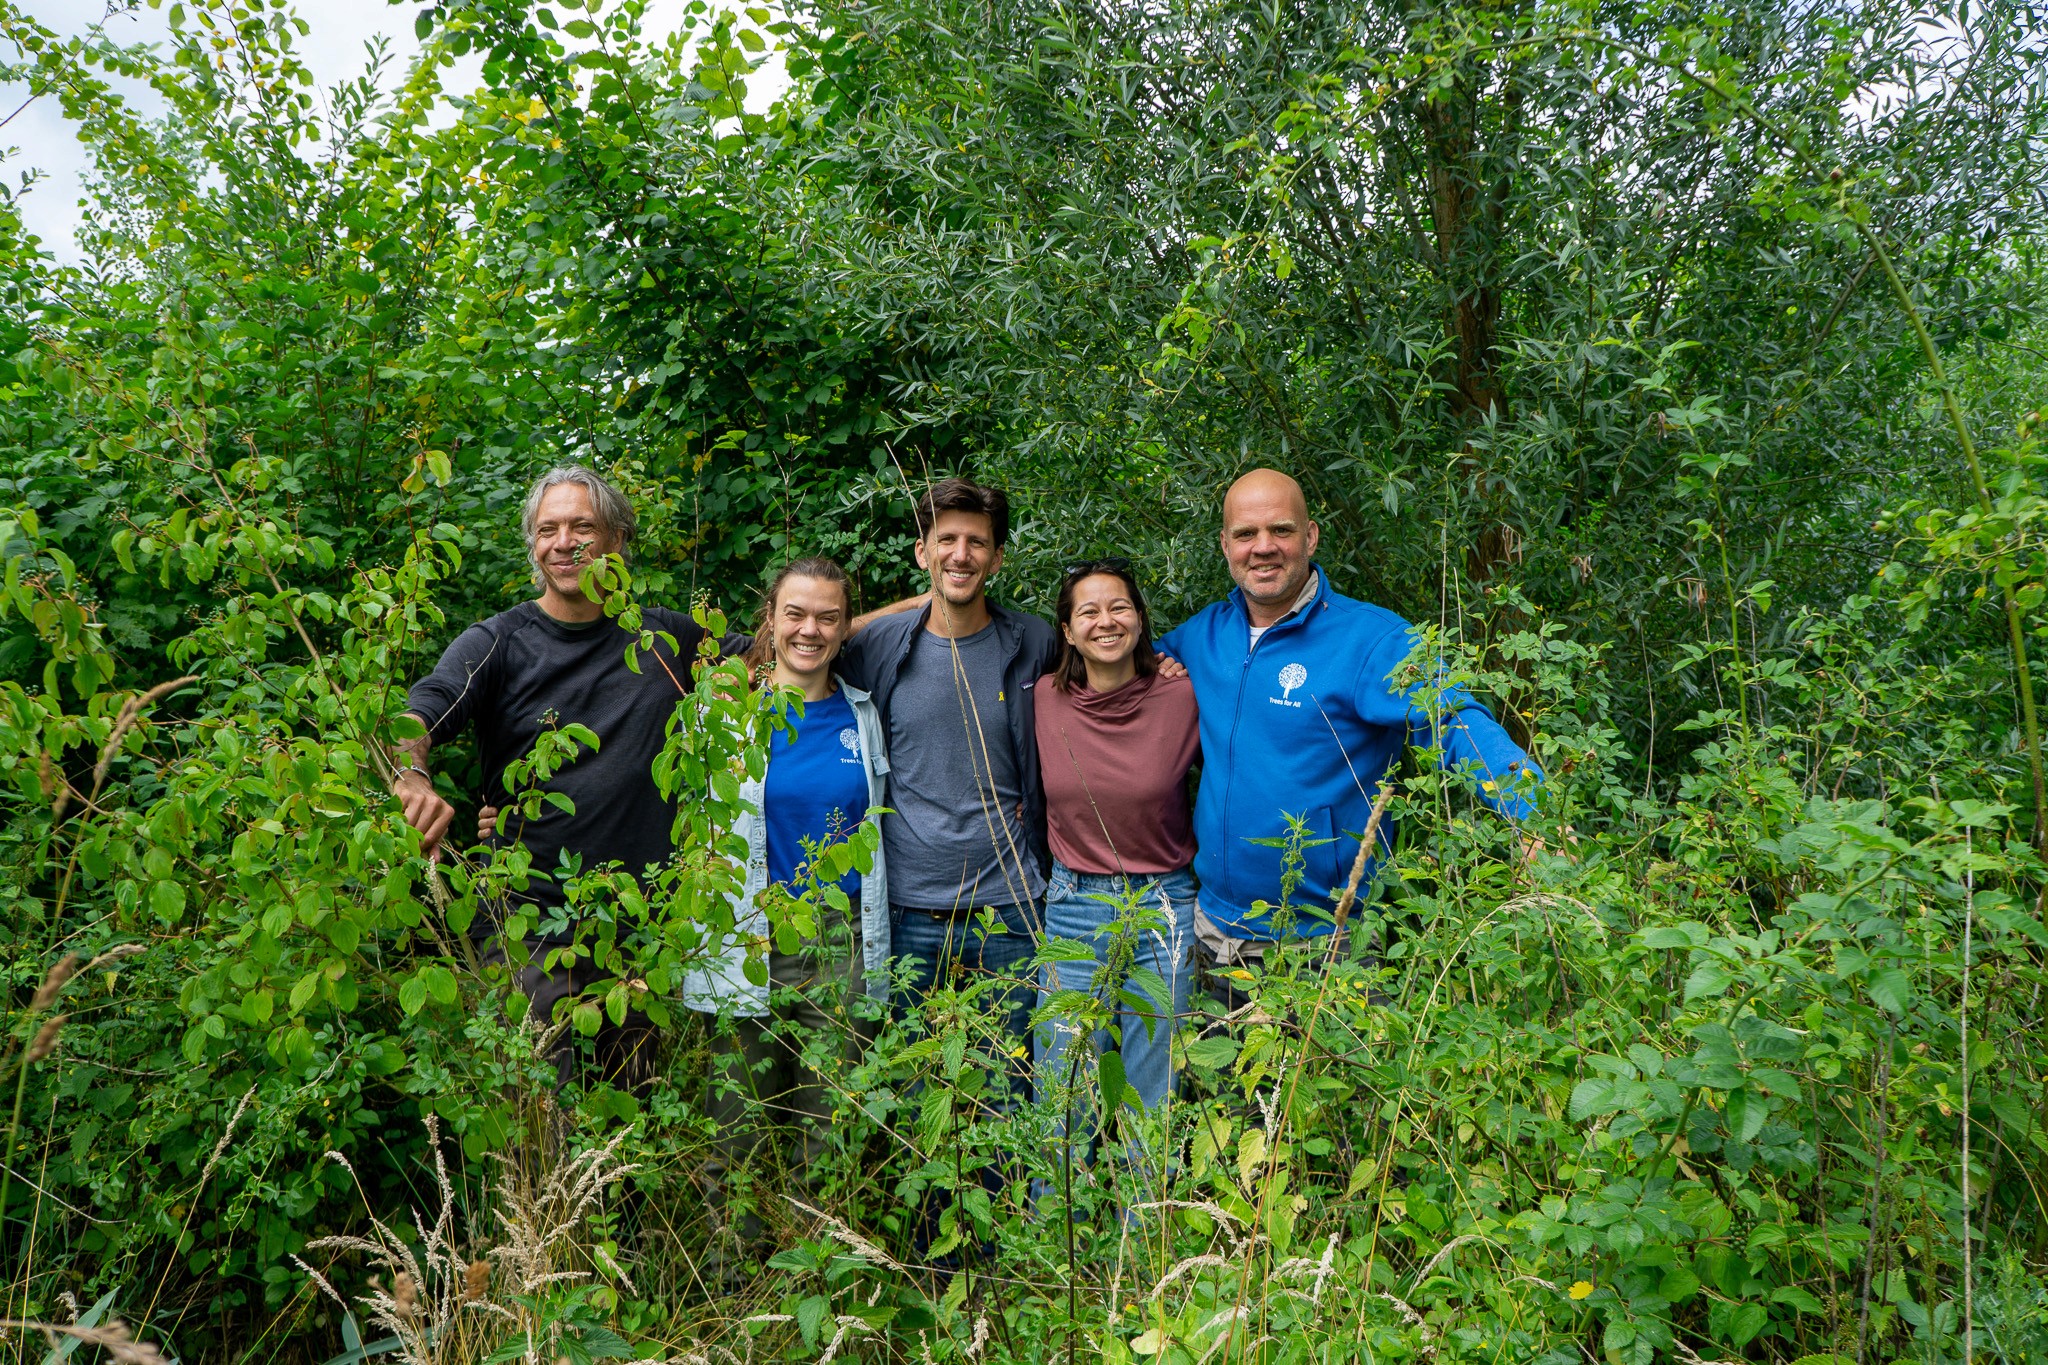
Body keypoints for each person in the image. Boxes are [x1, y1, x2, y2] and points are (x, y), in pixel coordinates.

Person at [396, 464, 724, 1085]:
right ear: (532, 544)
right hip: (527, 926)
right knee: (540, 1109)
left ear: (617, 539)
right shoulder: (498, 643)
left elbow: (782, 654)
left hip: (639, 932)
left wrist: (920, 610)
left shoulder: (666, 639)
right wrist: (411, 773)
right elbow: (420, 711)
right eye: (548, 530)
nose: (564, 543)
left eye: (582, 527)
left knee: (633, 1115)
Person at [1156, 468, 1543, 995]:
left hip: (1331, 948)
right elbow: (1124, 674)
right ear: (1225, 545)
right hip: (1215, 935)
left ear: (1311, 536)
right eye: (1246, 534)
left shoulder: (1372, 639)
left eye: (1281, 530)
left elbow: (1454, 719)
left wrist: (1532, 813)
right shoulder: (1202, 636)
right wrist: (1154, 667)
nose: (1263, 547)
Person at [681, 556, 891, 1272]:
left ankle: (815, 1288)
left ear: (846, 626)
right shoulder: (725, 711)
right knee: (735, 1131)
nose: (810, 630)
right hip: (748, 938)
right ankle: (730, 1285)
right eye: (795, 614)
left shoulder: (865, 714)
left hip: (842, 942)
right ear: (769, 619)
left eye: (828, 617)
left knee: (826, 1135)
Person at [834, 477, 1059, 1076]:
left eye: (977, 543)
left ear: (998, 557)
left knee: (1008, 1085)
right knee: (913, 1086)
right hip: (906, 909)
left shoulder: (1034, 642)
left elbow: (1103, 685)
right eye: (946, 541)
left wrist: (1162, 667)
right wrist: (907, 605)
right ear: (921, 551)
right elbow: (803, 645)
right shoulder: (880, 646)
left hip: (1010, 909)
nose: (961, 555)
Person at [1032, 559, 1200, 1165]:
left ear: (1141, 618)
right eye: (1089, 612)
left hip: (1165, 908)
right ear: (1068, 631)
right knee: (1064, 1090)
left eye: (1119, 607)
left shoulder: (1182, 694)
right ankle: (1057, 1220)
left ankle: (1145, 1224)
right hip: (1074, 905)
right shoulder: (1044, 698)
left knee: (1154, 1093)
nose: (1106, 621)